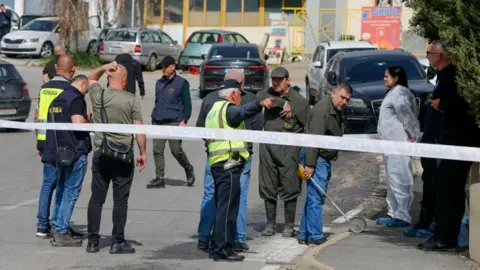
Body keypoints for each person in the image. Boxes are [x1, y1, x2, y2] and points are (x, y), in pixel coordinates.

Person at [419, 40, 480, 251]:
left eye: (429, 53)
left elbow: (460, 106)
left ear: (439, 55)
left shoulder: (453, 77)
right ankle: (441, 233)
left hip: (458, 142)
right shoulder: (443, 76)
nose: (427, 56)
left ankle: (447, 237)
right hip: (447, 141)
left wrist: (440, 105)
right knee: (444, 187)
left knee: (450, 189)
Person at [196, 69, 264, 252]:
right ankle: (236, 239)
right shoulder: (246, 100)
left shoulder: (210, 99)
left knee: (211, 196)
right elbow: (258, 128)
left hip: (214, 156)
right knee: (236, 199)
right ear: (239, 86)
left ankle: (204, 237)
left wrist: (213, 145)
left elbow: (200, 129)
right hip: (236, 157)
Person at [205, 86, 274, 261]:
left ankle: (218, 245)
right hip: (228, 164)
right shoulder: (229, 110)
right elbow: (243, 112)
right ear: (232, 94)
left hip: (218, 164)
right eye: (239, 96)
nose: (240, 99)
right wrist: (259, 103)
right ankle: (223, 249)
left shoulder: (214, 110)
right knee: (228, 209)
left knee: (222, 208)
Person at [86, 61, 147, 254]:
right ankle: (117, 241)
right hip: (123, 155)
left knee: (97, 199)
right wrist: (143, 152)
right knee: (120, 200)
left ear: (108, 77)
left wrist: (104, 68)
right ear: (125, 80)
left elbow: (91, 78)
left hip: (101, 154)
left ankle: (93, 242)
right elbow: (139, 129)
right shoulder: (131, 99)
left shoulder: (98, 95)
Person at [255, 66, 310, 237]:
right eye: (274, 79)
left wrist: (306, 155)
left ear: (288, 80)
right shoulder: (268, 93)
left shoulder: (299, 101)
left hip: (289, 152)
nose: (276, 83)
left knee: (290, 187)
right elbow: (258, 96)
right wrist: (281, 102)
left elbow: (307, 127)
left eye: (280, 79)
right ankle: (270, 225)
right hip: (268, 150)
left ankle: (289, 226)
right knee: (268, 187)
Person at [298, 83, 352, 245]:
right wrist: (311, 164)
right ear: (333, 93)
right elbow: (314, 139)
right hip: (317, 158)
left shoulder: (333, 109)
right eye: (342, 97)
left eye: (347, 100)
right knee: (316, 197)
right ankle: (315, 235)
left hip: (321, 158)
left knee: (313, 196)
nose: (344, 102)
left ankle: (304, 233)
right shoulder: (323, 110)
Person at [43, 71, 92, 246]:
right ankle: (61, 232)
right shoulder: (76, 99)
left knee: (62, 190)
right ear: (83, 84)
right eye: (86, 88)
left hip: (60, 152)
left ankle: (58, 226)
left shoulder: (57, 99)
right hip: (75, 151)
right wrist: (90, 122)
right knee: (70, 192)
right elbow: (78, 123)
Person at [35, 54, 78, 238]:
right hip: (65, 144)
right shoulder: (70, 90)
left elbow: (38, 117)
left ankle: (42, 226)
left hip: (46, 142)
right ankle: (59, 224)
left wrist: (39, 142)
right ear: (73, 69)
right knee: (63, 184)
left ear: (55, 67)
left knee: (47, 184)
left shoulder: (44, 89)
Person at [403, 41, 443, 238]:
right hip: (429, 141)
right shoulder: (436, 78)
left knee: (435, 184)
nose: (427, 57)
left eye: (429, 53)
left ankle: (431, 223)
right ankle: (425, 221)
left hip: (438, 142)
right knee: (429, 181)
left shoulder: (448, 78)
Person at [376, 65, 421, 228]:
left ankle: (402, 214)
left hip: (398, 143)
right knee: (393, 178)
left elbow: (407, 117)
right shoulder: (394, 93)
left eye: (387, 76)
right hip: (390, 144)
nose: (384, 79)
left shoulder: (400, 93)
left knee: (400, 177)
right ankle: (393, 212)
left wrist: (413, 135)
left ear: (396, 78)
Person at [147, 55, 194, 188]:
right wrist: (154, 118)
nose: (163, 69)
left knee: (176, 150)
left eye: (166, 66)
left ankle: (188, 168)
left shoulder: (182, 83)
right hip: (159, 120)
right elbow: (157, 102)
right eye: (162, 66)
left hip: (175, 121)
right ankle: (159, 177)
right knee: (157, 150)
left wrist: (184, 120)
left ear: (173, 67)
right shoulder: (159, 83)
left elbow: (187, 104)